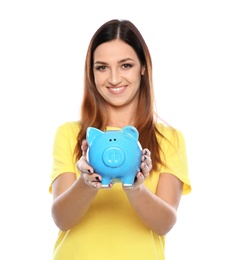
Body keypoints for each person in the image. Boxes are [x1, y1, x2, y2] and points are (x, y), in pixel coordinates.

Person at [49, 19, 191, 260]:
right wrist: (86, 182)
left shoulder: (169, 139)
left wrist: (135, 187)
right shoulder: (71, 134)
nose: (114, 79)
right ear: (91, 72)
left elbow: (165, 223)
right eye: (102, 67)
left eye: (125, 65)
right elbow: (62, 220)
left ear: (143, 67)